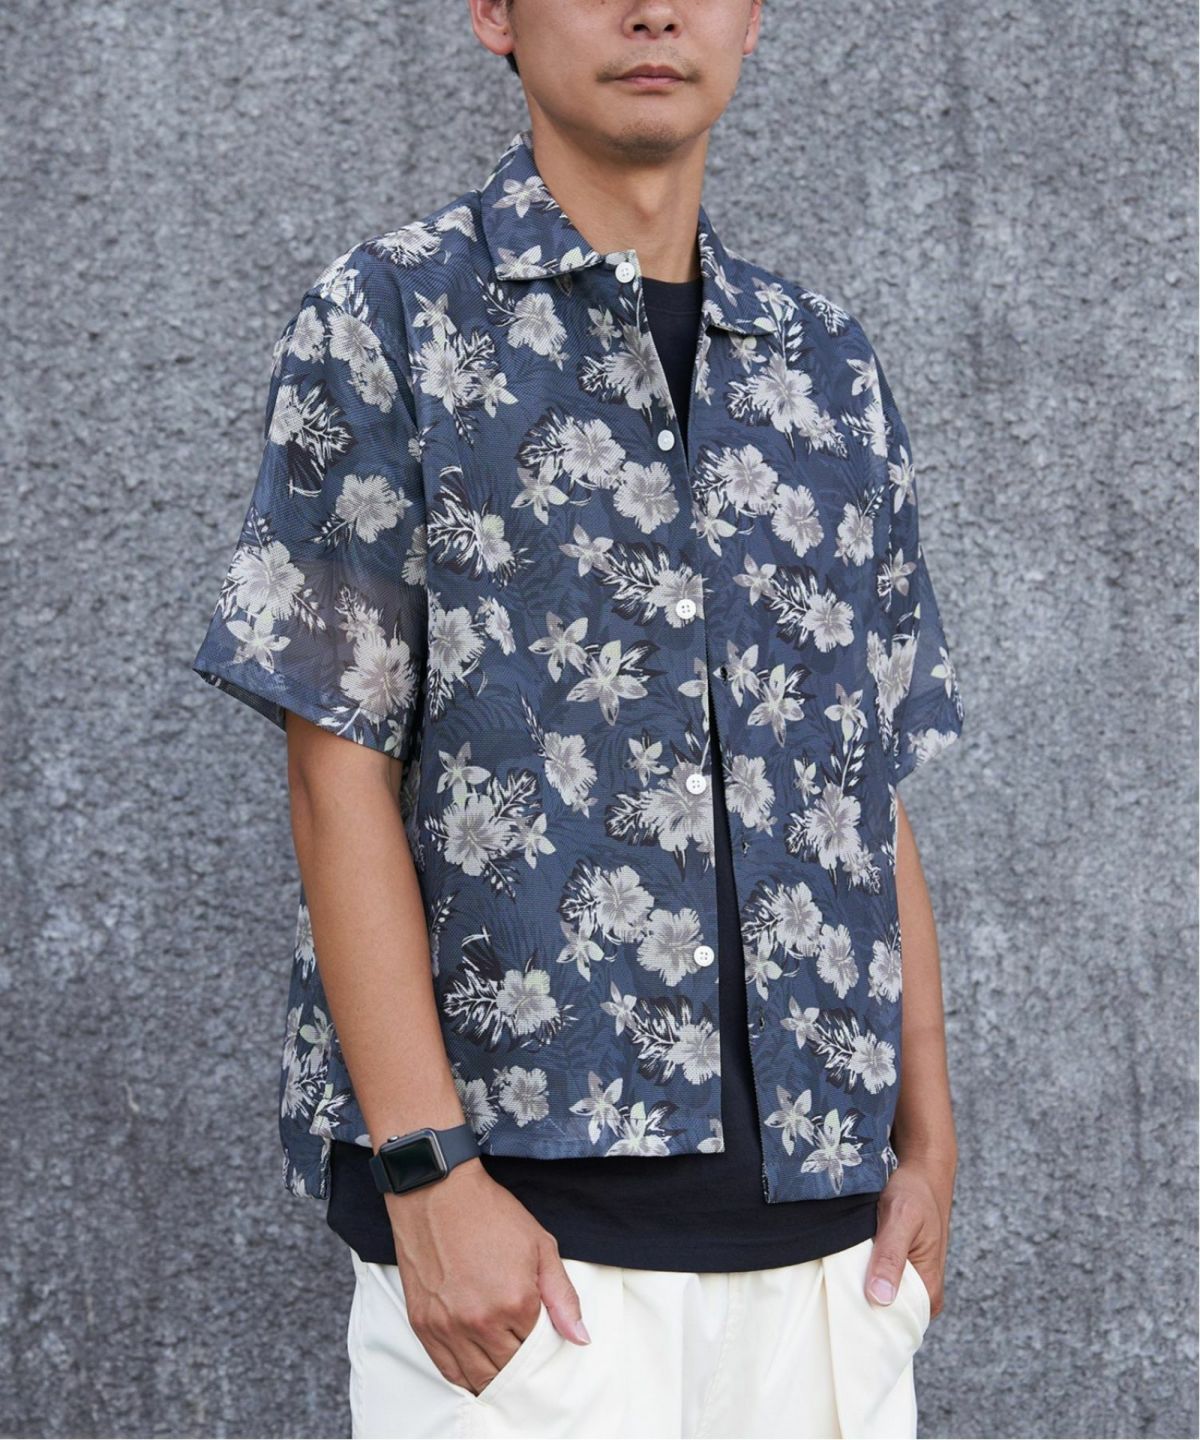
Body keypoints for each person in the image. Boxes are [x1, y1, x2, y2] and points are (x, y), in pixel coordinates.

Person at [191, 2, 966, 1435]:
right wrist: (428, 1176)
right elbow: (334, 772)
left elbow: (866, 777)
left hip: (830, 1254)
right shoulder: (390, 318)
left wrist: (928, 1140)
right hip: (522, 1262)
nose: (654, 11)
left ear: (753, 19)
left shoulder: (827, 365)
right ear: (494, 11)